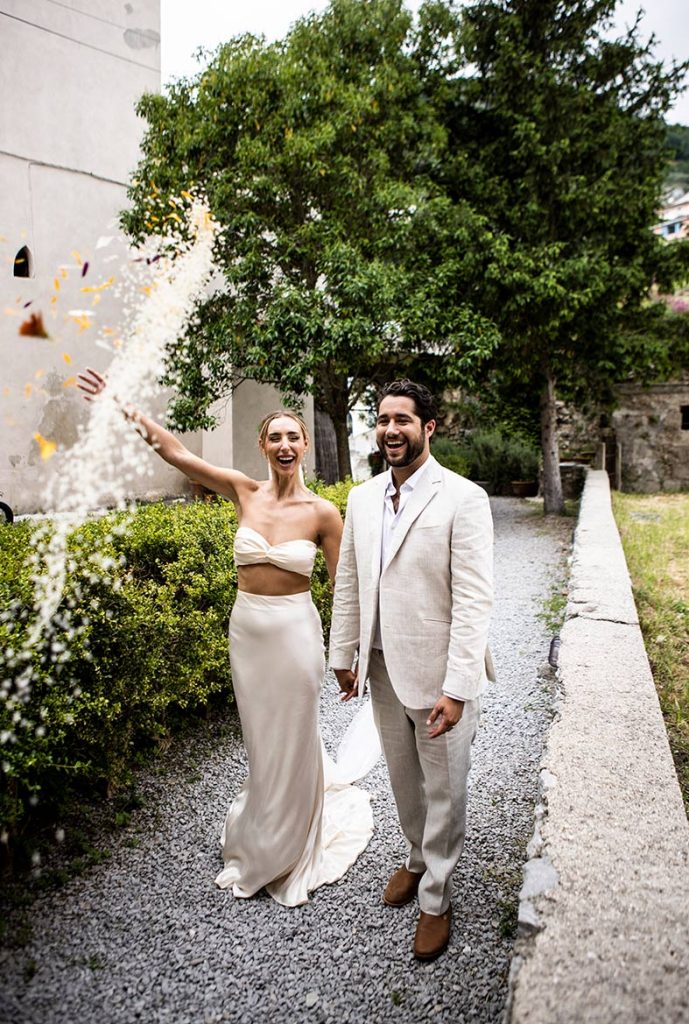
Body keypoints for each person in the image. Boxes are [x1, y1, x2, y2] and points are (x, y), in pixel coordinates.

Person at [77, 367, 374, 907]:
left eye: (292, 436)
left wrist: (347, 657)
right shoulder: (243, 491)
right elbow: (176, 454)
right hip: (249, 632)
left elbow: (343, 589)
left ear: (304, 444)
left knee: (296, 733)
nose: (284, 444)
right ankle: (262, 828)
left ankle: (292, 844)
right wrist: (122, 405)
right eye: (275, 436)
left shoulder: (324, 513)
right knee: (261, 739)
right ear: (263, 445)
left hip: (295, 632)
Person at [329, 379, 495, 960]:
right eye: (382, 420)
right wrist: (342, 653)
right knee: (403, 781)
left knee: (444, 790)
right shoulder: (361, 497)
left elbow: (475, 601)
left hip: (437, 674)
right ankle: (417, 857)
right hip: (378, 667)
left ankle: (437, 897)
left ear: (428, 427)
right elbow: (349, 580)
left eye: (403, 420)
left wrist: (458, 687)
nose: (390, 430)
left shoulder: (463, 498)